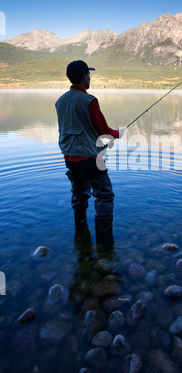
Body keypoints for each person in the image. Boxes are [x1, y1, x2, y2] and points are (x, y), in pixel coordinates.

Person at [55, 60, 122, 245]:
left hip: (69, 158)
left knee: (79, 194)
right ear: (84, 77)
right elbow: (103, 132)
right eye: (89, 74)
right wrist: (117, 133)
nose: (90, 78)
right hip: (89, 159)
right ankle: (104, 236)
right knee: (104, 194)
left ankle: (81, 229)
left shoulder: (60, 101)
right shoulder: (89, 101)